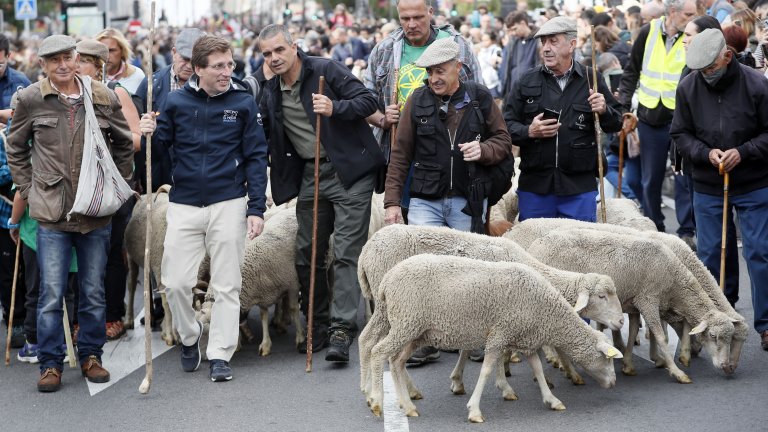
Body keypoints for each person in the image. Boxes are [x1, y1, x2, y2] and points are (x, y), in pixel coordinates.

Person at [5, 35, 148, 392]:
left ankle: (91, 356)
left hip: (96, 214)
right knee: (52, 293)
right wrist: (28, 188)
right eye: (54, 60)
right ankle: (51, 364)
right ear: (43, 66)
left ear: (76, 57)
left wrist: (118, 182)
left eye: (68, 57)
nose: (63, 65)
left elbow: (123, 142)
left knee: (93, 291)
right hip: (52, 213)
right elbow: (15, 147)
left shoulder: (102, 95)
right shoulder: (30, 99)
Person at [259, 24, 385, 363]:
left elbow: (367, 100)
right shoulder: (269, 90)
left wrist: (334, 108)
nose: (274, 58)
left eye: (279, 50)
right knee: (307, 252)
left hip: (350, 172)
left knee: (346, 250)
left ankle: (341, 329)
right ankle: (317, 321)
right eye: (267, 54)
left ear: (294, 47)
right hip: (310, 174)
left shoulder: (325, 70)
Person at [147, 35, 267, 382]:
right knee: (174, 283)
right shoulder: (174, 101)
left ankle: (219, 354)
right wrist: (150, 130)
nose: (227, 71)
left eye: (230, 64)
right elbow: (161, 144)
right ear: (197, 69)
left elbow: (257, 157)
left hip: (228, 200)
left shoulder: (243, 103)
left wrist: (256, 208)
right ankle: (189, 336)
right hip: (183, 202)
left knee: (227, 284)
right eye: (218, 66)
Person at [670, 28, 768, 351]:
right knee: (711, 254)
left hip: (754, 181)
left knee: (759, 251)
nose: (705, 76)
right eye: (701, 71)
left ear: (727, 57)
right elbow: (680, 135)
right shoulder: (688, 88)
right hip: (708, 184)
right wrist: (705, 153)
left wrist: (744, 151)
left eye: (710, 69)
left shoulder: (756, 85)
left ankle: (766, 324)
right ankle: (715, 319)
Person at [384, 37, 512, 232]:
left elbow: (503, 140)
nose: (434, 79)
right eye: (430, 71)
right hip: (424, 202)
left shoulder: (480, 96)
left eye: (440, 71)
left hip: (468, 201)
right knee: (424, 260)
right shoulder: (416, 100)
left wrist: (483, 149)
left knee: (465, 261)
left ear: (458, 66)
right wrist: (392, 202)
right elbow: (400, 153)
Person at [504, 17, 623, 222]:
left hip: (579, 188)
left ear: (572, 44)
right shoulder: (526, 80)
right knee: (533, 249)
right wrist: (529, 131)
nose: (546, 48)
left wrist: (604, 110)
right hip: (536, 187)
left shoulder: (591, 78)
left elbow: (617, 122)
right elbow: (504, 127)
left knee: (579, 250)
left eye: (553, 41)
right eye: (543, 43)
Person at [363, 0, 483, 173]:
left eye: (418, 17)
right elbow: (366, 101)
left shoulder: (457, 45)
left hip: (452, 152)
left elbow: (479, 97)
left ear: (430, 12)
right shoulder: (384, 50)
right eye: (405, 18)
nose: (411, 24)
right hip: (403, 153)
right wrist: (383, 120)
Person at [618, 0, 697, 236]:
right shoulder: (647, 32)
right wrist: (623, 106)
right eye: (689, 14)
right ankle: (654, 226)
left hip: (681, 120)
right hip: (651, 117)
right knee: (650, 180)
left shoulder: (691, 35)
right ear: (672, 12)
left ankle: (687, 231)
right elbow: (631, 70)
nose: (693, 18)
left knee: (683, 179)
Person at [0, 33, 30, 350]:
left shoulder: (20, 82)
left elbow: (17, 157)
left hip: (8, 201)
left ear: (8, 56)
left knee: (12, 267)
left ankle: (16, 317)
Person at [499, 11, 540, 101]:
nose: (513, 33)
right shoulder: (512, 42)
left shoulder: (539, 40)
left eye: (514, 29)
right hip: (513, 94)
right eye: (510, 30)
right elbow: (505, 69)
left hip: (532, 94)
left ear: (522, 23)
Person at [94, 28, 146, 94]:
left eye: (111, 50)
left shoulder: (136, 75)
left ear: (122, 51)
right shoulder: (90, 76)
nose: (107, 56)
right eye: (102, 51)